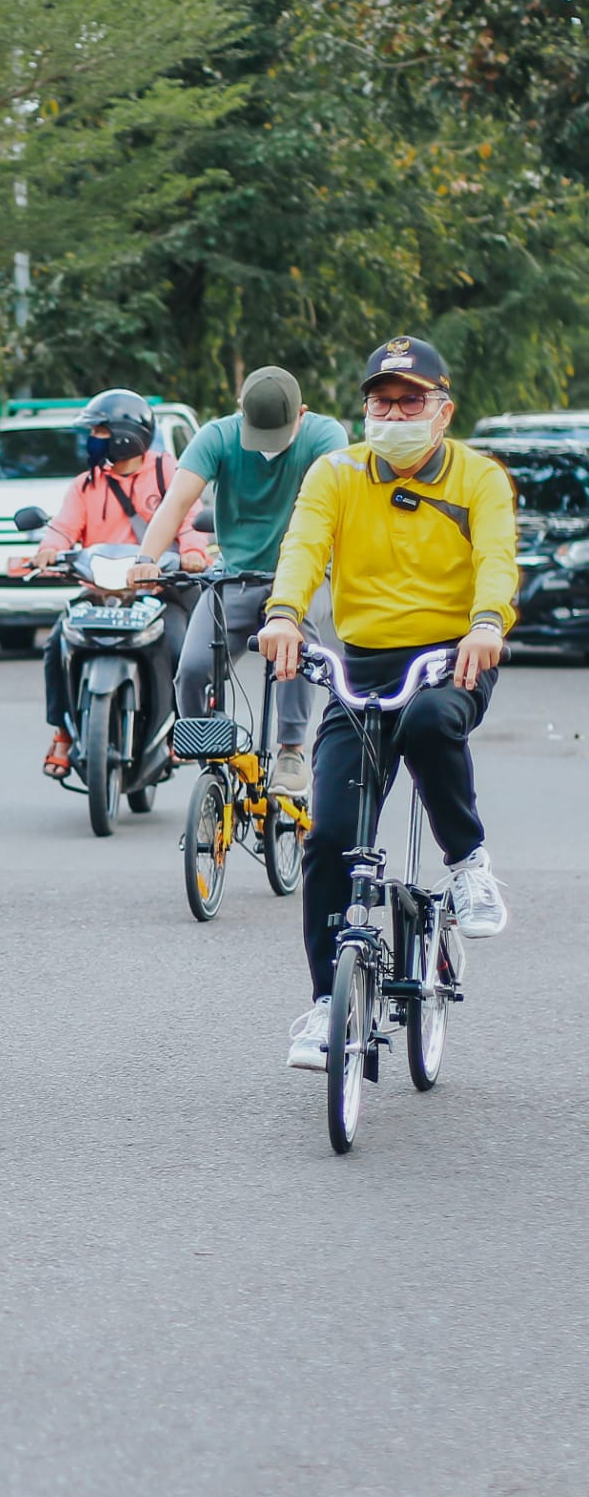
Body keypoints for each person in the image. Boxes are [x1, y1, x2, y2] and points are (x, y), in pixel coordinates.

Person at [256, 336, 515, 1070]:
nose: (393, 412)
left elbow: (496, 558)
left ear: (443, 409)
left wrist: (486, 624)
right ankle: (319, 1008)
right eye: (381, 400)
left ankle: (465, 861)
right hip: (359, 667)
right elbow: (303, 548)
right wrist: (282, 614)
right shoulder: (333, 474)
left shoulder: (478, 478)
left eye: (409, 400)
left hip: (452, 656)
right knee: (329, 837)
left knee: (433, 721)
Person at [129, 367, 348, 796]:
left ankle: (290, 749)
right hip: (237, 577)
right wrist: (145, 559)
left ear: (302, 414)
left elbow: (340, 507)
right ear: (240, 414)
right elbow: (176, 503)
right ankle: (211, 745)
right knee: (192, 667)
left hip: (304, 576)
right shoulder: (218, 436)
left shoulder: (326, 438)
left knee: (295, 646)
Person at [31, 388, 211, 778]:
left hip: (159, 590)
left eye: (98, 432)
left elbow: (188, 520)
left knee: (182, 649)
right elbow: (63, 528)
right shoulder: (85, 485)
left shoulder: (168, 474)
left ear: (124, 434)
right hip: (101, 590)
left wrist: (194, 552)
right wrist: (49, 549)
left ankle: (180, 729)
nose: (91, 441)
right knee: (56, 645)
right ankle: (62, 732)